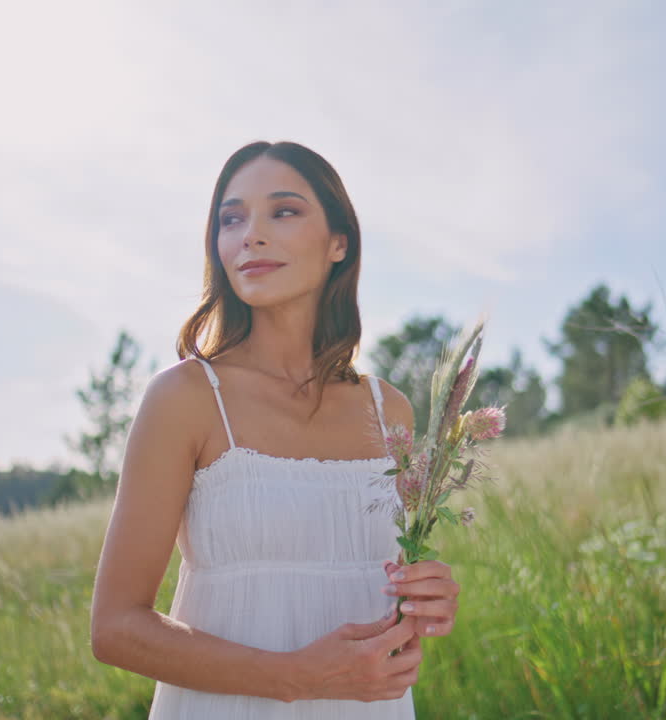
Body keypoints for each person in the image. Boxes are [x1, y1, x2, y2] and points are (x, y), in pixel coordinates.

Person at [90, 140, 462, 718]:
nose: (251, 235)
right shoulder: (185, 398)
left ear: (340, 242)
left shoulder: (389, 410)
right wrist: (293, 678)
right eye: (232, 218)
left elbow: (382, 595)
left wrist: (427, 602)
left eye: (283, 211)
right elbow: (114, 627)